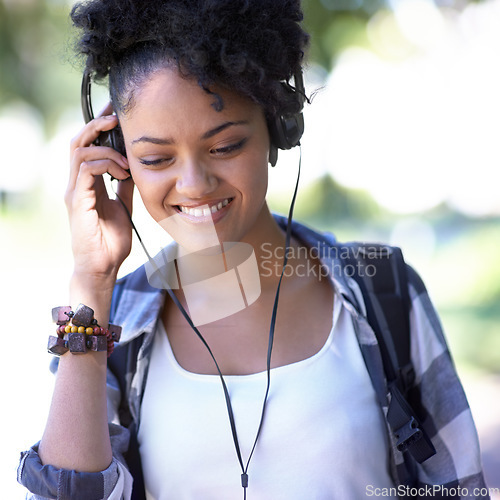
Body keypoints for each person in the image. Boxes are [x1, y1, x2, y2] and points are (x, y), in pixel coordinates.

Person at [18, 1, 489, 499]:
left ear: (278, 129)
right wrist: (92, 284)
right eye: (156, 158)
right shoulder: (117, 329)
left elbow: (458, 490)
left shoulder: (384, 292)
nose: (194, 184)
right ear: (120, 157)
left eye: (224, 147)